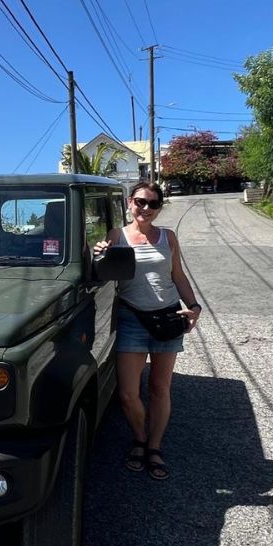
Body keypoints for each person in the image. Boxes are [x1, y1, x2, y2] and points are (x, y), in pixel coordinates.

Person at [93, 181, 202, 480]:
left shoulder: (168, 237)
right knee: (128, 393)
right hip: (132, 318)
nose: (146, 209)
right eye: (141, 202)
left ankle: (154, 446)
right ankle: (139, 437)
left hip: (168, 316)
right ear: (130, 203)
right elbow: (100, 269)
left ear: (159, 208)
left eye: (153, 204)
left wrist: (193, 306)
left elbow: (177, 275)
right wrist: (99, 252)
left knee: (159, 388)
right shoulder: (117, 236)